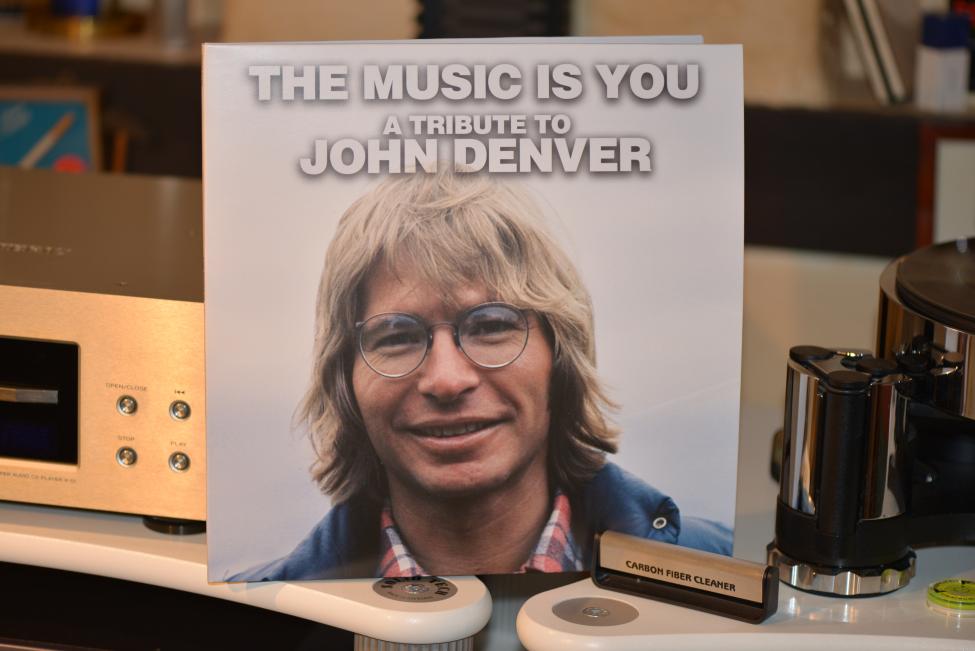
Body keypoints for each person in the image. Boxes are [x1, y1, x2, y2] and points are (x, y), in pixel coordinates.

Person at [231, 166, 731, 581]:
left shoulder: (729, 576)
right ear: (346, 382)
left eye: (491, 325)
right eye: (397, 336)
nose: (447, 380)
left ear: (560, 357)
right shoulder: (254, 619)